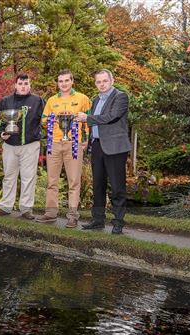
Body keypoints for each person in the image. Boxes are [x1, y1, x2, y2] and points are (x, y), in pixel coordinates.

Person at [76, 69, 131, 234]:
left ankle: (118, 222)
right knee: (98, 185)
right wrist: (88, 139)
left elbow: (112, 116)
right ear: (96, 83)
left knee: (117, 186)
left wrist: (88, 118)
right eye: (98, 82)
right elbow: (95, 125)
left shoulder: (120, 96)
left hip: (115, 147)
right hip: (98, 146)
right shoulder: (95, 99)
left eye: (105, 81)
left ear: (112, 81)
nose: (102, 84)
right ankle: (98, 220)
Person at [35, 70, 91, 228]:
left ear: (72, 81)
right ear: (57, 83)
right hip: (54, 144)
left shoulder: (82, 98)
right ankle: (50, 214)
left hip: (74, 144)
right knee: (52, 181)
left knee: (74, 181)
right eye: (61, 81)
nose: (64, 84)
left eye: (67, 80)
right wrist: (52, 118)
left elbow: (88, 121)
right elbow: (44, 120)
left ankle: (72, 216)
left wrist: (86, 139)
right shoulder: (52, 100)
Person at [0, 73, 44, 219]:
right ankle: (5, 206)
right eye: (20, 84)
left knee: (28, 177)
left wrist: (40, 134)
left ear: (30, 85)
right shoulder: (5, 101)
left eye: (26, 83)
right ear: (15, 85)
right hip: (10, 145)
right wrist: (1, 133)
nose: (23, 86)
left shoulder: (38, 101)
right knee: (9, 176)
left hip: (30, 145)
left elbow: (45, 120)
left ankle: (26, 209)